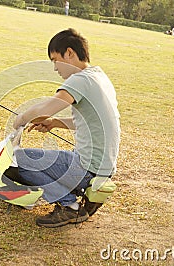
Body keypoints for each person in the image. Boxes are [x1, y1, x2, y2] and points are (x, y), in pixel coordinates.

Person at [12, 28, 120, 228]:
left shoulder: (79, 80)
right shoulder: (99, 76)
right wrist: (54, 123)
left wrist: (22, 118)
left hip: (87, 169)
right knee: (54, 158)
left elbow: (47, 106)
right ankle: (83, 195)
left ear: (69, 53)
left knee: (20, 159)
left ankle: (69, 206)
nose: (55, 68)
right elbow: (91, 121)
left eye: (55, 60)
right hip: (104, 169)